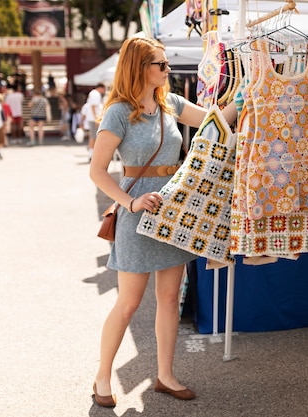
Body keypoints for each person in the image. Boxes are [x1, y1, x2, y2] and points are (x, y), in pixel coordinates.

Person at [89, 36, 237, 408]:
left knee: (170, 299)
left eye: (167, 63)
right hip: (138, 214)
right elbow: (97, 171)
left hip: (174, 215)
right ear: (139, 67)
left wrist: (252, 95)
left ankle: (165, 375)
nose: (168, 70)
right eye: (161, 64)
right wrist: (131, 201)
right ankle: (102, 375)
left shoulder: (169, 103)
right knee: (129, 303)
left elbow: (213, 121)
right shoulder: (118, 112)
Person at [85, 82, 106, 161]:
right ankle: (91, 154)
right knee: (94, 136)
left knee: (94, 136)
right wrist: (96, 119)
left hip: (93, 118)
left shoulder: (93, 93)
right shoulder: (95, 94)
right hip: (94, 118)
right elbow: (93, 107)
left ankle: (92, 154)